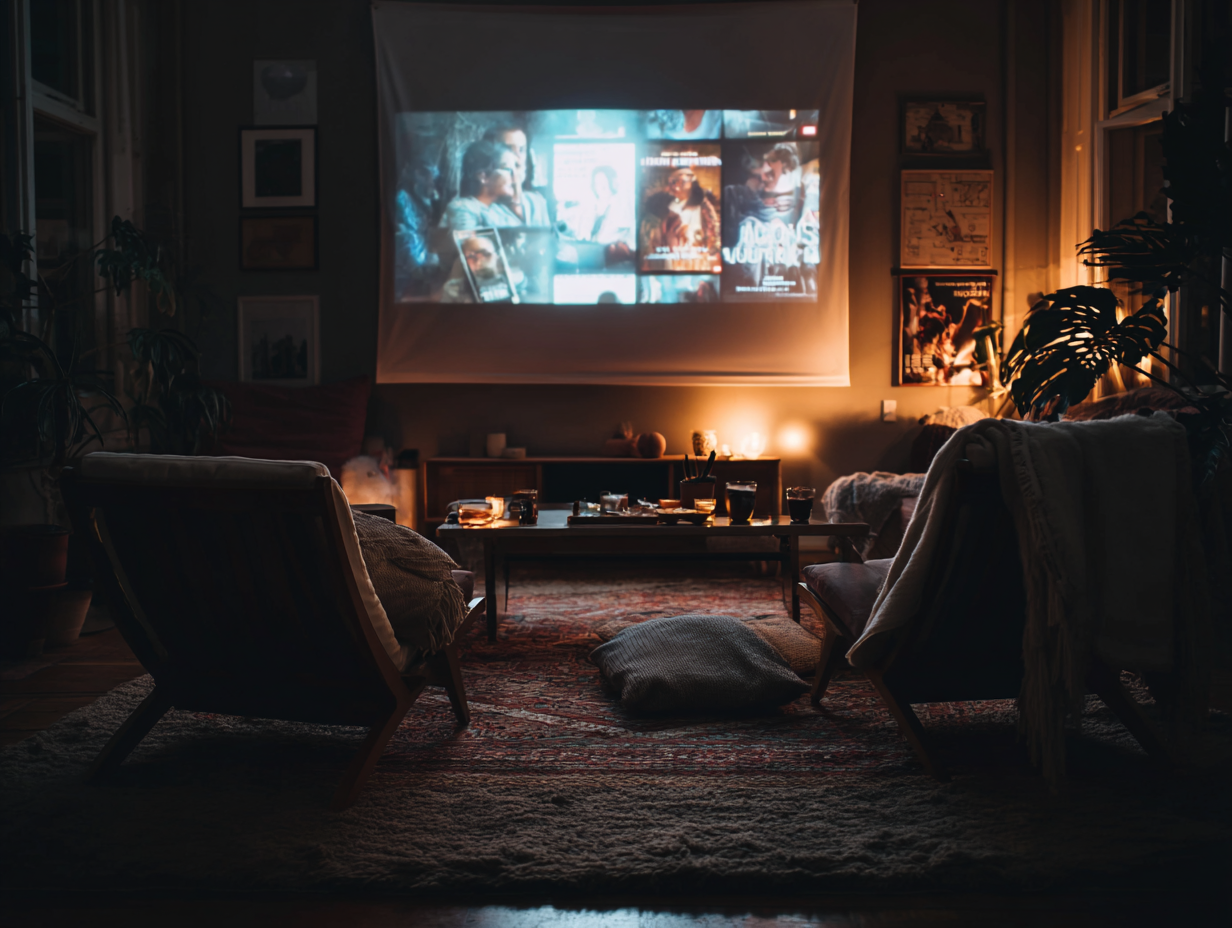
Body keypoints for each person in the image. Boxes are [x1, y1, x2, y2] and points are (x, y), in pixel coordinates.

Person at [638, 166, 720, 272]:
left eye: (680, 181)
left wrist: (711, 253)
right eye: (672, 182)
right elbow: (653, 239)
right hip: (670, 263)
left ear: (691, 180)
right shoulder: (667, 206)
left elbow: (714, 234)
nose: (675, 186)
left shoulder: (704, 207)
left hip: (698, 262)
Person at [440, 140, 523, 231]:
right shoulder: (462, 209)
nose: (514, 176)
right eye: (507, 169)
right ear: (483, 176)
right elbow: (467, 243)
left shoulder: (501, 211)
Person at [482, 126, 552, 226]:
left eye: (522, 150)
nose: (519, 159)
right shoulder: (481, 208)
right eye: (509, 149)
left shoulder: (536, 202)